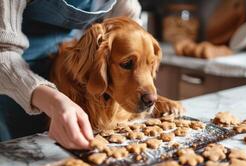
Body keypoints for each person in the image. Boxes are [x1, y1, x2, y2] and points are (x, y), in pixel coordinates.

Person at [0, 0, 141, 149]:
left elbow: (128, 25)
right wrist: (54, 101)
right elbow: (3, 56)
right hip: (12, 80)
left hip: (65, 65)